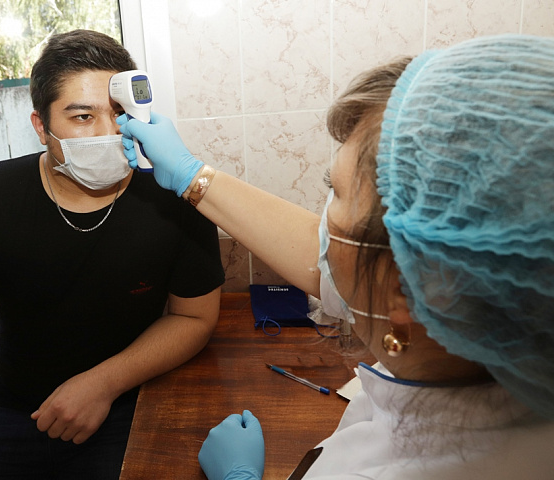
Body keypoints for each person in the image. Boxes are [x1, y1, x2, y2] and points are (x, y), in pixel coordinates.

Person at [118, 33, 554, 479]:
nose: (321, 223)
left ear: (404, 291)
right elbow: (337, 259)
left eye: (336, 191)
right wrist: (192, 175)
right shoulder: (492, 332)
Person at [0, 29, 224, 480]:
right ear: (41, 126)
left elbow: (195, 318)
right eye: (82, 116)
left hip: (133, 399)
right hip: (15, 409)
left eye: (118, 113)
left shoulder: (175, 198)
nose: (107, 132)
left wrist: (103, 383)